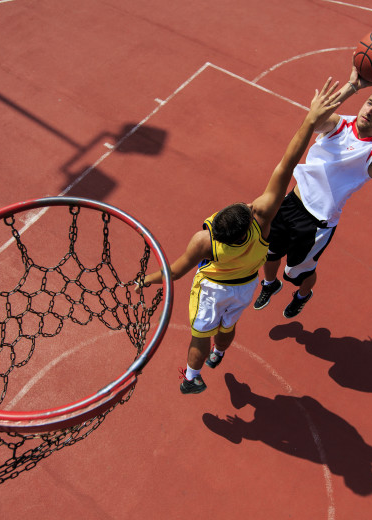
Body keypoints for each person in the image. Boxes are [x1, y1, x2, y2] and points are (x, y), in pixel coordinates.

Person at [139, 79, 342, 394]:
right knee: (227, 327)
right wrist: (310, 121)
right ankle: (219, 354)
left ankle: (192, 378)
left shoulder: (204, 241)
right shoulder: (263, 222)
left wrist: (146, 280)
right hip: (245, 287)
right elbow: (287, 165)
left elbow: (175, 272)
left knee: (199, 335)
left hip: (212, 289)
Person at [254, 52, 372, 318]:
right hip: (292, 201)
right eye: (369, 103)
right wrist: (352, 86)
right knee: (268, 252)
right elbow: (313, 121)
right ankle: (270, 284)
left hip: (317, 224)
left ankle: (303, 294)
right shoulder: (339, 124)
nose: (370, 110)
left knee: (297, 271)